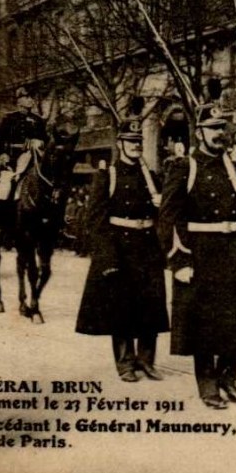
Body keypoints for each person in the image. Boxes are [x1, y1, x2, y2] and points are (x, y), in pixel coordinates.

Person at [158, 102, 236, 409]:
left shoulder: (233, 166)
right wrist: (178, 260)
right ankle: (208, 385)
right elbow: (167, 217)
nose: (220, 134)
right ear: (200, 132)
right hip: (200, 254)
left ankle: (229, 379)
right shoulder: (184, 167)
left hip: (232, 251)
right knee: (203, 323)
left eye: (223, 128)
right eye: (214, 129)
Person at [76, 117, 169, 382]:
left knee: (152, 304)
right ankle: (126, 363)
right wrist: (107, 257)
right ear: (120, 143)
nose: (136, 146)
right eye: (131, 141)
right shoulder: (109, 175)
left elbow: (164, 211)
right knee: (122, 308)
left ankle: (147, 360)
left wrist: (159, 204)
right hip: (121, 248)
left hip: (148, 246)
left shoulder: (151, 176)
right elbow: (96, 220)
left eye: (139, 141)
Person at [0, 87, 47, 206]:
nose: (31, 100)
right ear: (19, 101)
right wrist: (2, 154)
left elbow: (45, 139)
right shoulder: (9, 119)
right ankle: (1, 216)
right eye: (27, 97)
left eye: (32, 97)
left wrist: (39, 142)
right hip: (13, 160)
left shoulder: (38, 120)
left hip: (34, 159)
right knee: (4, 186)